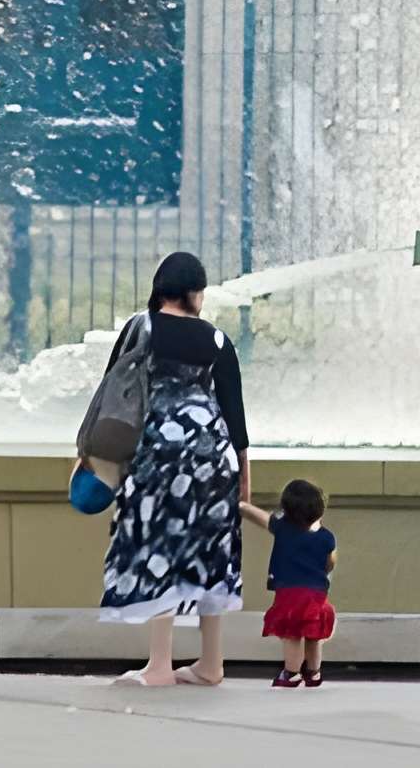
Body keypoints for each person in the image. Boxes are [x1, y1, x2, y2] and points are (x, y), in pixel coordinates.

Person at [99, 251, 250, 685]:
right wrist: (243, 475)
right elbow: (235, 415)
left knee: (159, 548)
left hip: (158, 454)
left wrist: (90, 453)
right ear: (193, 292)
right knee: (212, 553)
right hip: (214, 456)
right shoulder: (218, 340)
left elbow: (113, 392)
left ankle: (160, 665)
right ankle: (211, 664)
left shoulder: (139, 328)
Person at [244, 478, 338, 688]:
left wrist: (242, 506)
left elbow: (261, 518)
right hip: (317, 593)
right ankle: (313, 672)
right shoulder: (327, 537)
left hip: (290, 593)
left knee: (292, 633)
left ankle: (291, 672)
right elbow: (330, 563)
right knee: (314, 634)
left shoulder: (282, 528)